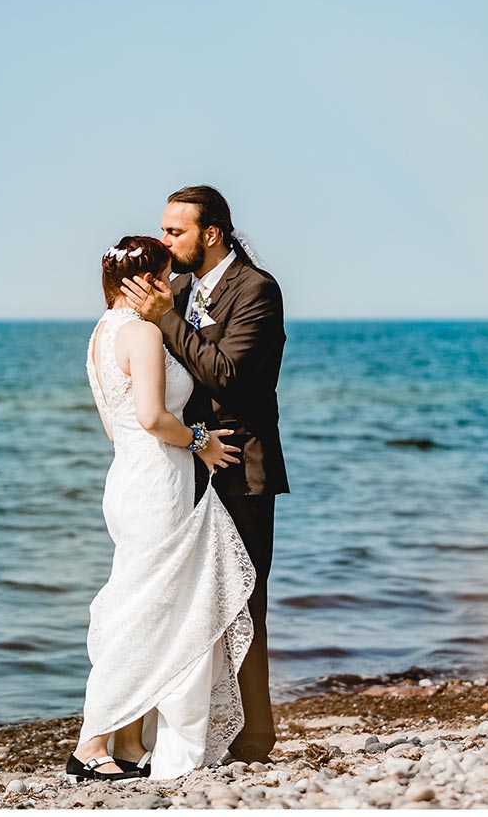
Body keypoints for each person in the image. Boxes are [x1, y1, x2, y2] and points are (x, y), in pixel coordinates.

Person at [69, 235, 254, 783]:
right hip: (157, 480)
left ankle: (126, 741)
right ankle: (90, 743)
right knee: (147, 608)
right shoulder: (146, 333)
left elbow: (116, 424)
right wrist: (203, 441)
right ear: (146, 279)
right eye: (166, 275)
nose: (171, 287)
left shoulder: (101, 334)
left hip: (127, 476)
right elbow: (153, 417)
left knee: (141, 602)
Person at [120, 185, 289, 763]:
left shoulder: (257, 291)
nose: (165, 241)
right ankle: (174, 731)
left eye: (175, 231)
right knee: (180, 602)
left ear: (210, 233)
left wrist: (166, 318)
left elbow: (230, 376)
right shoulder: (184, 291)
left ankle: (257, 735)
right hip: (186, 468)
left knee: (244, 603)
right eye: (165, 230)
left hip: (242, 467)